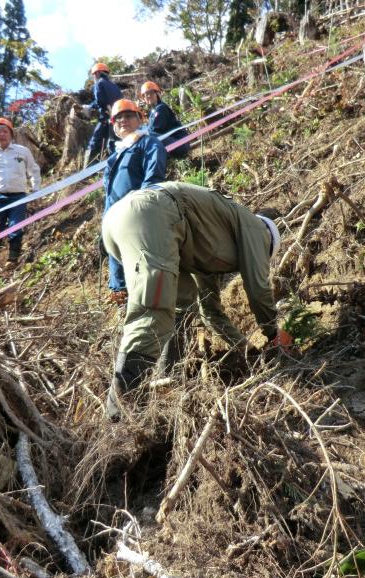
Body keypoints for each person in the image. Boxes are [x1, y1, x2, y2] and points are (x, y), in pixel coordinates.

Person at [101, 181, 292, 420]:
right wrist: (273, 332)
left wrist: (247, 350)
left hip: (124, 220)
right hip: (150, 216)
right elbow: (258, 287)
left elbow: (209, 309)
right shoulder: (258, 229)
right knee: (153, 313)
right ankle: (117, 422)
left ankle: (165, 389)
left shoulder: (214, 238)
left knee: (183, 302)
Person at [101, 99, 167, 303]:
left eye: (129, 116)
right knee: (121, 285)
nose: (123, 121)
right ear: (113, 125)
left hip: (136, 216)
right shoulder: (115, 155)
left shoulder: (148, 142)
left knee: (142, 272)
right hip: (114, 220)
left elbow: (153, 176)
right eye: (118, 118)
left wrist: (142, 207)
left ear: (140, 119)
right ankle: (120, 291)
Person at [0, 117, 41, 272]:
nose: (1, 134)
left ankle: (12, 260)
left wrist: (35, 189)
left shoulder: (22, 151)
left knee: (16, 227)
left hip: (18, 196)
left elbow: (33, 170)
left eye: (5, 131)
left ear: (11, 134)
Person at [139, 81, 191, 159]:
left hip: (180, 144)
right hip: (173, 143)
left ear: (157, 94)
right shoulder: (153, 112)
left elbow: (154, 130)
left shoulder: (161, 108)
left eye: (151, 93)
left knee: (149, 136)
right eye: (146, 95)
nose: (148, 96)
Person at [84, 63, 123, 166]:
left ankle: (89, 171)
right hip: (118, 117)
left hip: (106, 118)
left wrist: (90, 107)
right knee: (113, 143)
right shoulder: (115, 86)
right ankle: (116, 166)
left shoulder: (99, 83)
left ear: (97, 73)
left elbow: (100, 101)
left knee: (95, 143)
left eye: (93, 75)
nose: (93, 77)